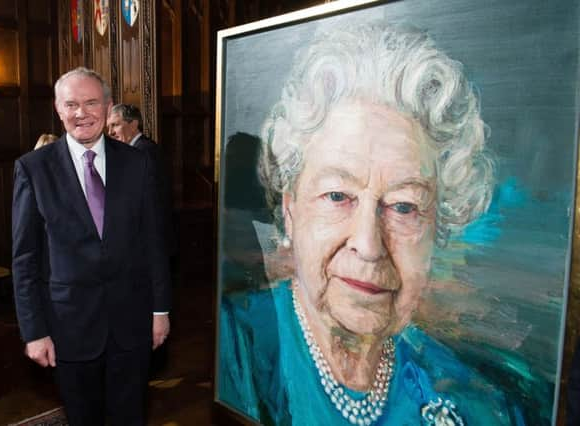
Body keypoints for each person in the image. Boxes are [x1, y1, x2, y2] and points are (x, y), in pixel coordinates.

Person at [218, 23, 525, 425]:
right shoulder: (236, 349)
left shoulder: (481, 405)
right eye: (337, 196)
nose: (369, 244)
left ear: (439, 230)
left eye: (403, 206)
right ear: (290, 211)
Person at [12, 67, 171, 426]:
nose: (81, 113)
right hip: (68, 327)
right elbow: (25, 260)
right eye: (71, 104)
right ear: (58, 108)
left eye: (91, 103)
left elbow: (153, 242)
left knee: (130, 416)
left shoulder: (137, 162)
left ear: (108, 106)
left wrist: (160, 310)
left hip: (132, 323)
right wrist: (34, 331)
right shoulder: (33, 169)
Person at [107, 103, 176, 257]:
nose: (110, 132)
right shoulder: (135, 150)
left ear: (134, 124)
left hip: (149, 241)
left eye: (115, 125)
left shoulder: (144, 152)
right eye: (108, 127)